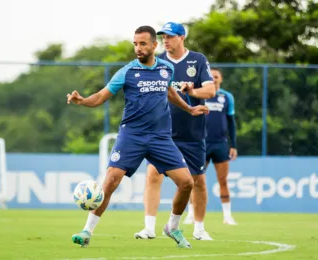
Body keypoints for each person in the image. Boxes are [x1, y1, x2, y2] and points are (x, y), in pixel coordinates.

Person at [67, 25, 210, 249]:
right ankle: (87, 231)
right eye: (135, 44)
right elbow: (101, 96)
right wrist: (83, 101)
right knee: (111, 181)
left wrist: (190, 109)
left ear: (154, 45)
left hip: (161, 138)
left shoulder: (165, 70)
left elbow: (170, 93)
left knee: (186, 183)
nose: (138, 48)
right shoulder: (127, 72)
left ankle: (172, 227)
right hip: (131, 136)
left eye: (143, 43)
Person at [134, 22, 216, 241]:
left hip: (192, 133)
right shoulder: (158, 63)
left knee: (198, 181)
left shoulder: (197, 60)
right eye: (163, 37)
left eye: (169, 36)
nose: (165, 41)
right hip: (163, 133)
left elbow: (211, 90)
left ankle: (199, 228)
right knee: (153, 176)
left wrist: (192, 90)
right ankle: (149, 228)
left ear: (182, 37)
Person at [204, 68, 238, 225]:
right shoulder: (201, 94)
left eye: (216, 76)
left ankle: (227, 216)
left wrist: (234, 145)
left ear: (221, 79)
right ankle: (191, 213)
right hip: (202, 143)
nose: (214, 78)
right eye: (211, 76)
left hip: (220, 144)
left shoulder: (227, 96)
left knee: (223, 181)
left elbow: (231, 122)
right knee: (195, 180)